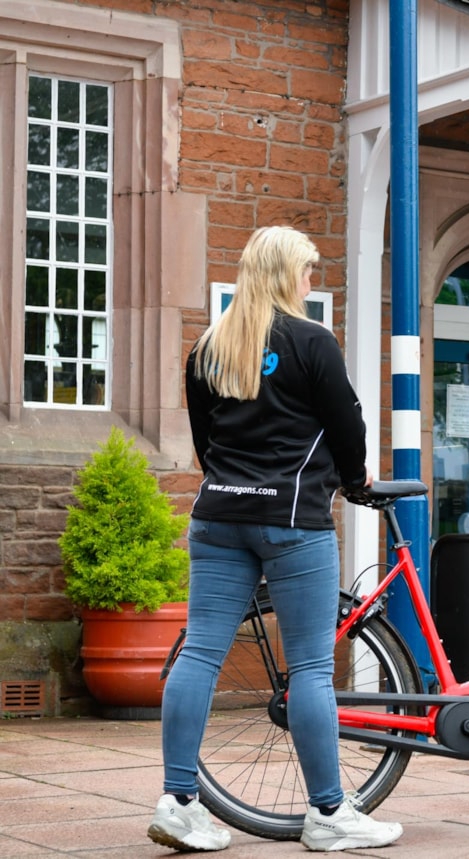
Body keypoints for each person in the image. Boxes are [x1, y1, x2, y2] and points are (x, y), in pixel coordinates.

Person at [147, 226, 403, 853]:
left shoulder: (208, 347)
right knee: (312, 666)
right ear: (288, 273)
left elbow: (207, 440)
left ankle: (179, 802)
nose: (312, 281)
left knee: (200, 653)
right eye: (309, 271)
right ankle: (328, 814)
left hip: (218, 516)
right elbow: (347, 424)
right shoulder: (312, 341)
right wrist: (353, 479)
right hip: (293, 522)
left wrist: (236, 486)